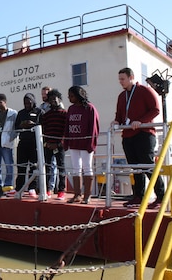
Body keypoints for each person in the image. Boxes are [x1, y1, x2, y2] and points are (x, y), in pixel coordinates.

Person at [111, 67, 164, 208]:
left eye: (123, 79)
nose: (120, 82)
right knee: (135, 167)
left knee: (147, 165)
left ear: (131, 77)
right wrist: (116, 121)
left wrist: (141, 121)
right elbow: (119, 114)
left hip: (144, 134)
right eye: (119, 79)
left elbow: (156, 109)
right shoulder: (122, 96)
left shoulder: (144, 90)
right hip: (128, 135)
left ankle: (161, 196)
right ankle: (138, 196)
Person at [64, 86, 100, 204]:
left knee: (87, 167)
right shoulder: (71, 109)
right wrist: (66, 141)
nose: (69, 98)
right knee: (76, 168)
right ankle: (77, 194)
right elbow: (67, 126)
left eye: (71, 95)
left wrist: (91, 144)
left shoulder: (90, 108)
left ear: (78, 95)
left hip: (85, 144)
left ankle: (87, 196)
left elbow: (94, 127)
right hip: (74, 143)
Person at [14, 93, 42, 197]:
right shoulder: (21, 113)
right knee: (21, 166)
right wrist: (22, 125)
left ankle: (32, 188)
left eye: (29, 102)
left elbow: (42, 125)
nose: (27, 104)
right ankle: (19, 188)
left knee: (34, 166)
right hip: (22, 142)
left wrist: (32, 124)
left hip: (34, 143)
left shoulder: (39, 112)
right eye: (25, 103)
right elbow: (16, 127)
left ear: (33, 102)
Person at [41, 89, 67, 200]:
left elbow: (66, 131)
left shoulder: (64, 114)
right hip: (48, 145)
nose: (52, 101)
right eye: (50, 99)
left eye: (54, 99)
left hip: (59, 146)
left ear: (59, 99)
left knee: (61, 167)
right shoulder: (46, 115)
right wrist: (47, 143)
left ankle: (61, 190)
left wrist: (59, 144)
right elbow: (44, 130)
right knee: (47, 168)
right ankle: (48, 189)